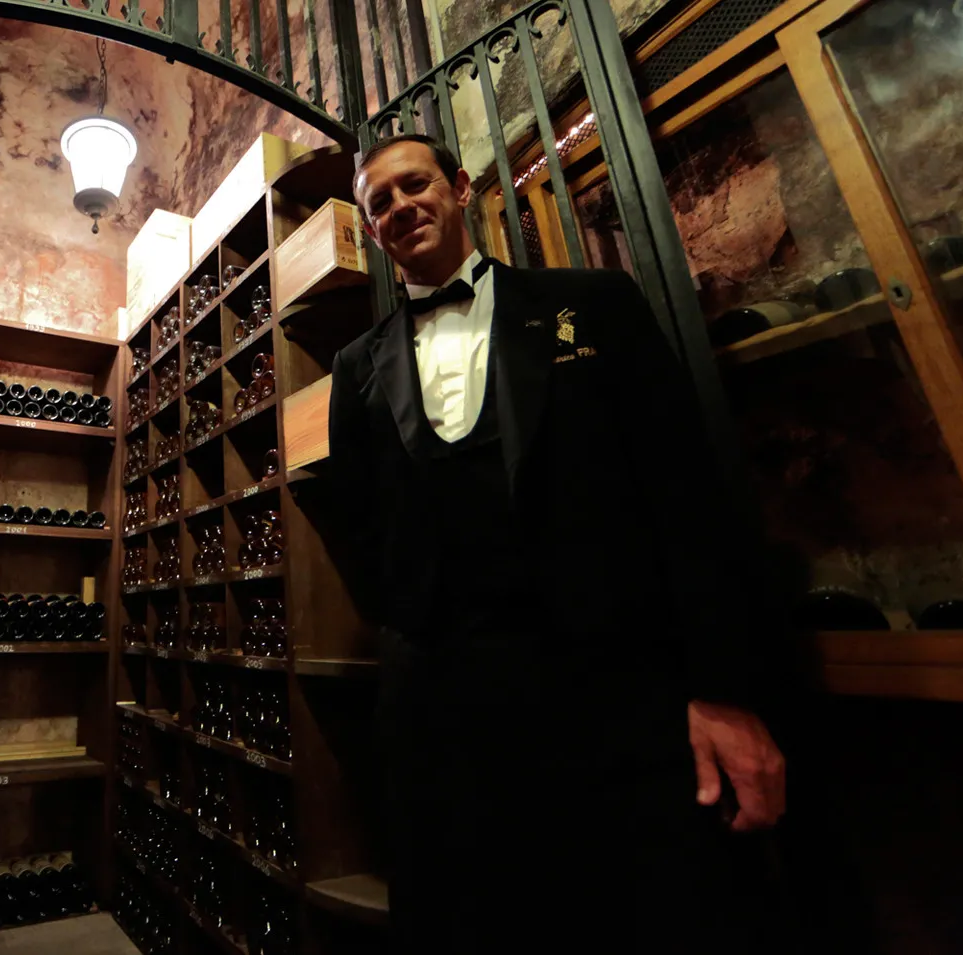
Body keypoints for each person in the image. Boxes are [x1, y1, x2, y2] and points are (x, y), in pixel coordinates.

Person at [327, 134, 787, 952]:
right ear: (370, 230)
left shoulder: (595, 305)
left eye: (414, 185)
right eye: (381, 203)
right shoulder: (355, 365)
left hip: (609, 694)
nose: (401, 207)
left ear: (460, 188)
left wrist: (725, 689)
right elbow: (359, 527)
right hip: (448, 711)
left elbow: (686, 496)